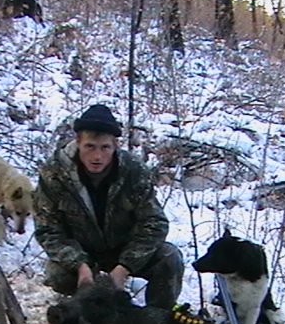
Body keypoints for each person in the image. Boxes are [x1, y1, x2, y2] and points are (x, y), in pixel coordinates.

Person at [34, 104, 183, 308]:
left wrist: (125, 266)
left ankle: (158, 318)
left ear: (115, 146)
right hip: (83, 252)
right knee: (57, 273)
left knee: (170, 258)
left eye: (105, 148)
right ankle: (83, 312)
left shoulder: (134, 171)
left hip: (124, 248)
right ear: (78, 142)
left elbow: (154, 223)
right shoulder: (55, 173)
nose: (97, 157)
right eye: (90, 147)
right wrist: (79, 265)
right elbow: (48, 231)